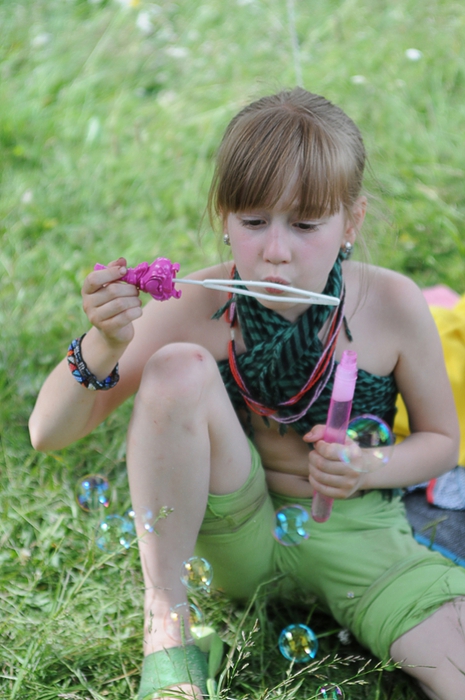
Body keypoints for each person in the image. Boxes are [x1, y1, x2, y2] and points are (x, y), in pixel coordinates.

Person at [29, 88, 465, 700]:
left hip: (358, 532)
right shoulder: (198, 304)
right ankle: (166, 620)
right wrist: (103, 342)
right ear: (223, 219)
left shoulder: (391, 304)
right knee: (177, 368)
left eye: (306, 225)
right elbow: (48, 432)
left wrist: (370, 466)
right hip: (235, 527)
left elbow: (443, 443)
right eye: (253, 222)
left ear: (352, 221)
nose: (276, 252)